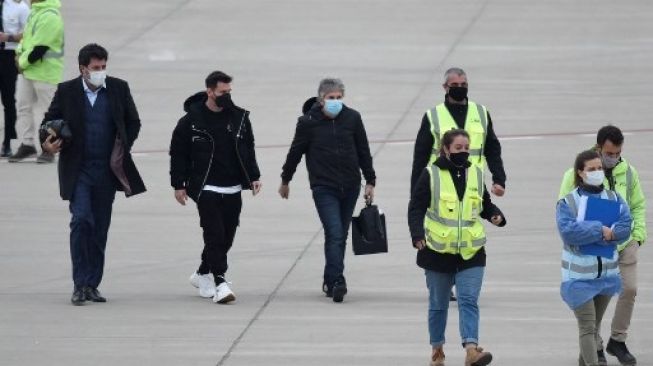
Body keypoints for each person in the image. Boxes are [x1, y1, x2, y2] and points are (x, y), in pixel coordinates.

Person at [40, 43, 146, 305]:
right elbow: (48, 121)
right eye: (96, 68)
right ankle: (79, 284)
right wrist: (47, 142)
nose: (101, 72)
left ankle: (92, 285)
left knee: (99, 228)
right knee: (81, 221)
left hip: (106, 171)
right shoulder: (67, 91)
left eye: (104, 67)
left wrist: (122, 146)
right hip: (79, 171)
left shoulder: (119, 88)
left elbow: (133, 121)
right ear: (83, 69)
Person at [408, 129, 505, 366]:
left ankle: (472, 349)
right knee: (438, 305)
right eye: (458, 148)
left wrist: (495, 215)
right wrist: (417, 235)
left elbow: (484, 204)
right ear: (446, 149)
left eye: (466, 148)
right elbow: (416, 207)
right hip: (438, 252)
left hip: (471, 252)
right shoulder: (431, 174)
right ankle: (437, 349)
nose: (463, 152)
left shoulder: (475, 172)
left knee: (468, 299)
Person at [279, 78, 376, 303]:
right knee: (334, 232)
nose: (335, 102)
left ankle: (329, 278)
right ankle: (337, 281)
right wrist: (286, 179)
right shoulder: (307, 122)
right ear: (321, 99)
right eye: (331, 98)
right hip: (324, 187)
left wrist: (370, 180)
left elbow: (363, 150)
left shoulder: (353, 118)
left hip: (351, 186)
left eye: (339, 98)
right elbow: (295, 152)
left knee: (339, 235)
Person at [169, 71, 261, 304]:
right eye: (222, 92)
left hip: (232, 186)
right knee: (214, 234)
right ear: (209, 91)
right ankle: (220, 281)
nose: (227, 96)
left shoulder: (239, 118)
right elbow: (178, 155)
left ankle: (202, 273)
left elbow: (248, 148)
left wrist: (254, 176)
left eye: (229, 92)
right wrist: (178, 185)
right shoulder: (190, 121)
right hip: (206, 187)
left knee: (227, 237)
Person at [559, 125, 646, 366]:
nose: (613, 158)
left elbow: (636, 207)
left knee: (629, 290)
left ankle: (617, 340)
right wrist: (596, 232)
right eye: (609, 153)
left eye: (618, 153)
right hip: (589, 253)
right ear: (599, 148)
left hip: (622, 244)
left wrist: (637, 236)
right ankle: (594, 349)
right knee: (589, 322)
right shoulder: (573, 175)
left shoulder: (628, 172)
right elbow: (566, 214)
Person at [410, 67, 505, 195]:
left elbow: (493, 150)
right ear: (445, 87)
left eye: (463, 84)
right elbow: (420, 158)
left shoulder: (481, 113)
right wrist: (415, 194)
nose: (460, 88)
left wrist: (499, 179)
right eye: (455, 85)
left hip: (473, 184)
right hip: (442, 184)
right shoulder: (433, 116)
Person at [9, 0, 63, 163]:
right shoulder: (35, 12)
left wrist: (22, 62)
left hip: (45, 72)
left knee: (49, 112)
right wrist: (18, 54)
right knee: (23, 107)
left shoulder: (50, 16)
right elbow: (26, 39)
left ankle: (49, 148)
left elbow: (40, 48)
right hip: (28, 71)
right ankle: (27, 144)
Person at [0, 0, 29, 157]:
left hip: (8, 57)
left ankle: (7, 143)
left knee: (8, 101)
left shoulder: (20, 7)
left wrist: (8, 37)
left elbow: (29, 33)